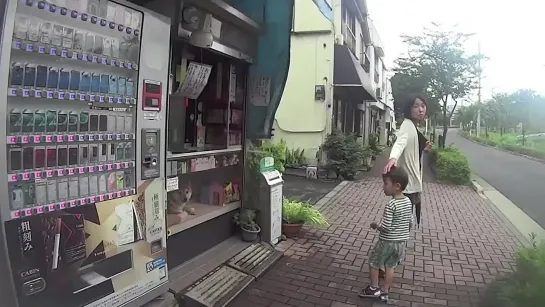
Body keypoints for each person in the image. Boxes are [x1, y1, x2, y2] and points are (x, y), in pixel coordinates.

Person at [359, 167, 413, 302]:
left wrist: (376, 226)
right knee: (391, 265)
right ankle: (385, 291)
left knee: (374, 262)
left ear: (397, 186)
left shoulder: (391, 204)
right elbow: (410, 221)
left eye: (386, 184)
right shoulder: (407, 201)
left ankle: (373, 288)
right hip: (401, 243)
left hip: (387, 242)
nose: (383, 187)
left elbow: (386, 227)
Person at [383, 95, 431, 227]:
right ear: (408, 109)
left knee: (404, 224)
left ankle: (398, 246)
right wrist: (393, 158)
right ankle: (394, 247)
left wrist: (424, 149)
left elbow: (412, 150)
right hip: (408, 187)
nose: (420, 109)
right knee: (402, 225)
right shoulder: (407, 125)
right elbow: (400, 143)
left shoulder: (413, 127)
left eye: (423, 106)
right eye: (416, 106)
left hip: (413, 183)